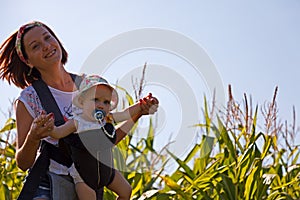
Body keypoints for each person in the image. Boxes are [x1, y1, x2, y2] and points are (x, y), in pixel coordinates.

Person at [0, 21, 159, 200]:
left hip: (90, 179)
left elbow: (106, 139)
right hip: (50, 186)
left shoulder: (90, 86)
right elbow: (23, 163)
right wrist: (34, 136)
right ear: (27, 61)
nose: (46, 46)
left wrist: (139, 110)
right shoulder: (29, 99)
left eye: (47, 38)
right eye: (36, 46)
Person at [35, 74, 157, 200]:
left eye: (106, 102)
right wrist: (50, 128)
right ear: (82, 102)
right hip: (84, 177)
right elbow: (59, 133)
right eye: (95, 100)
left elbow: (125, 114)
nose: (101, 105)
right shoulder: (77, 122)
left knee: (126, 191)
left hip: (107, 171)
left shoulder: (106, 119)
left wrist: (141, 105)